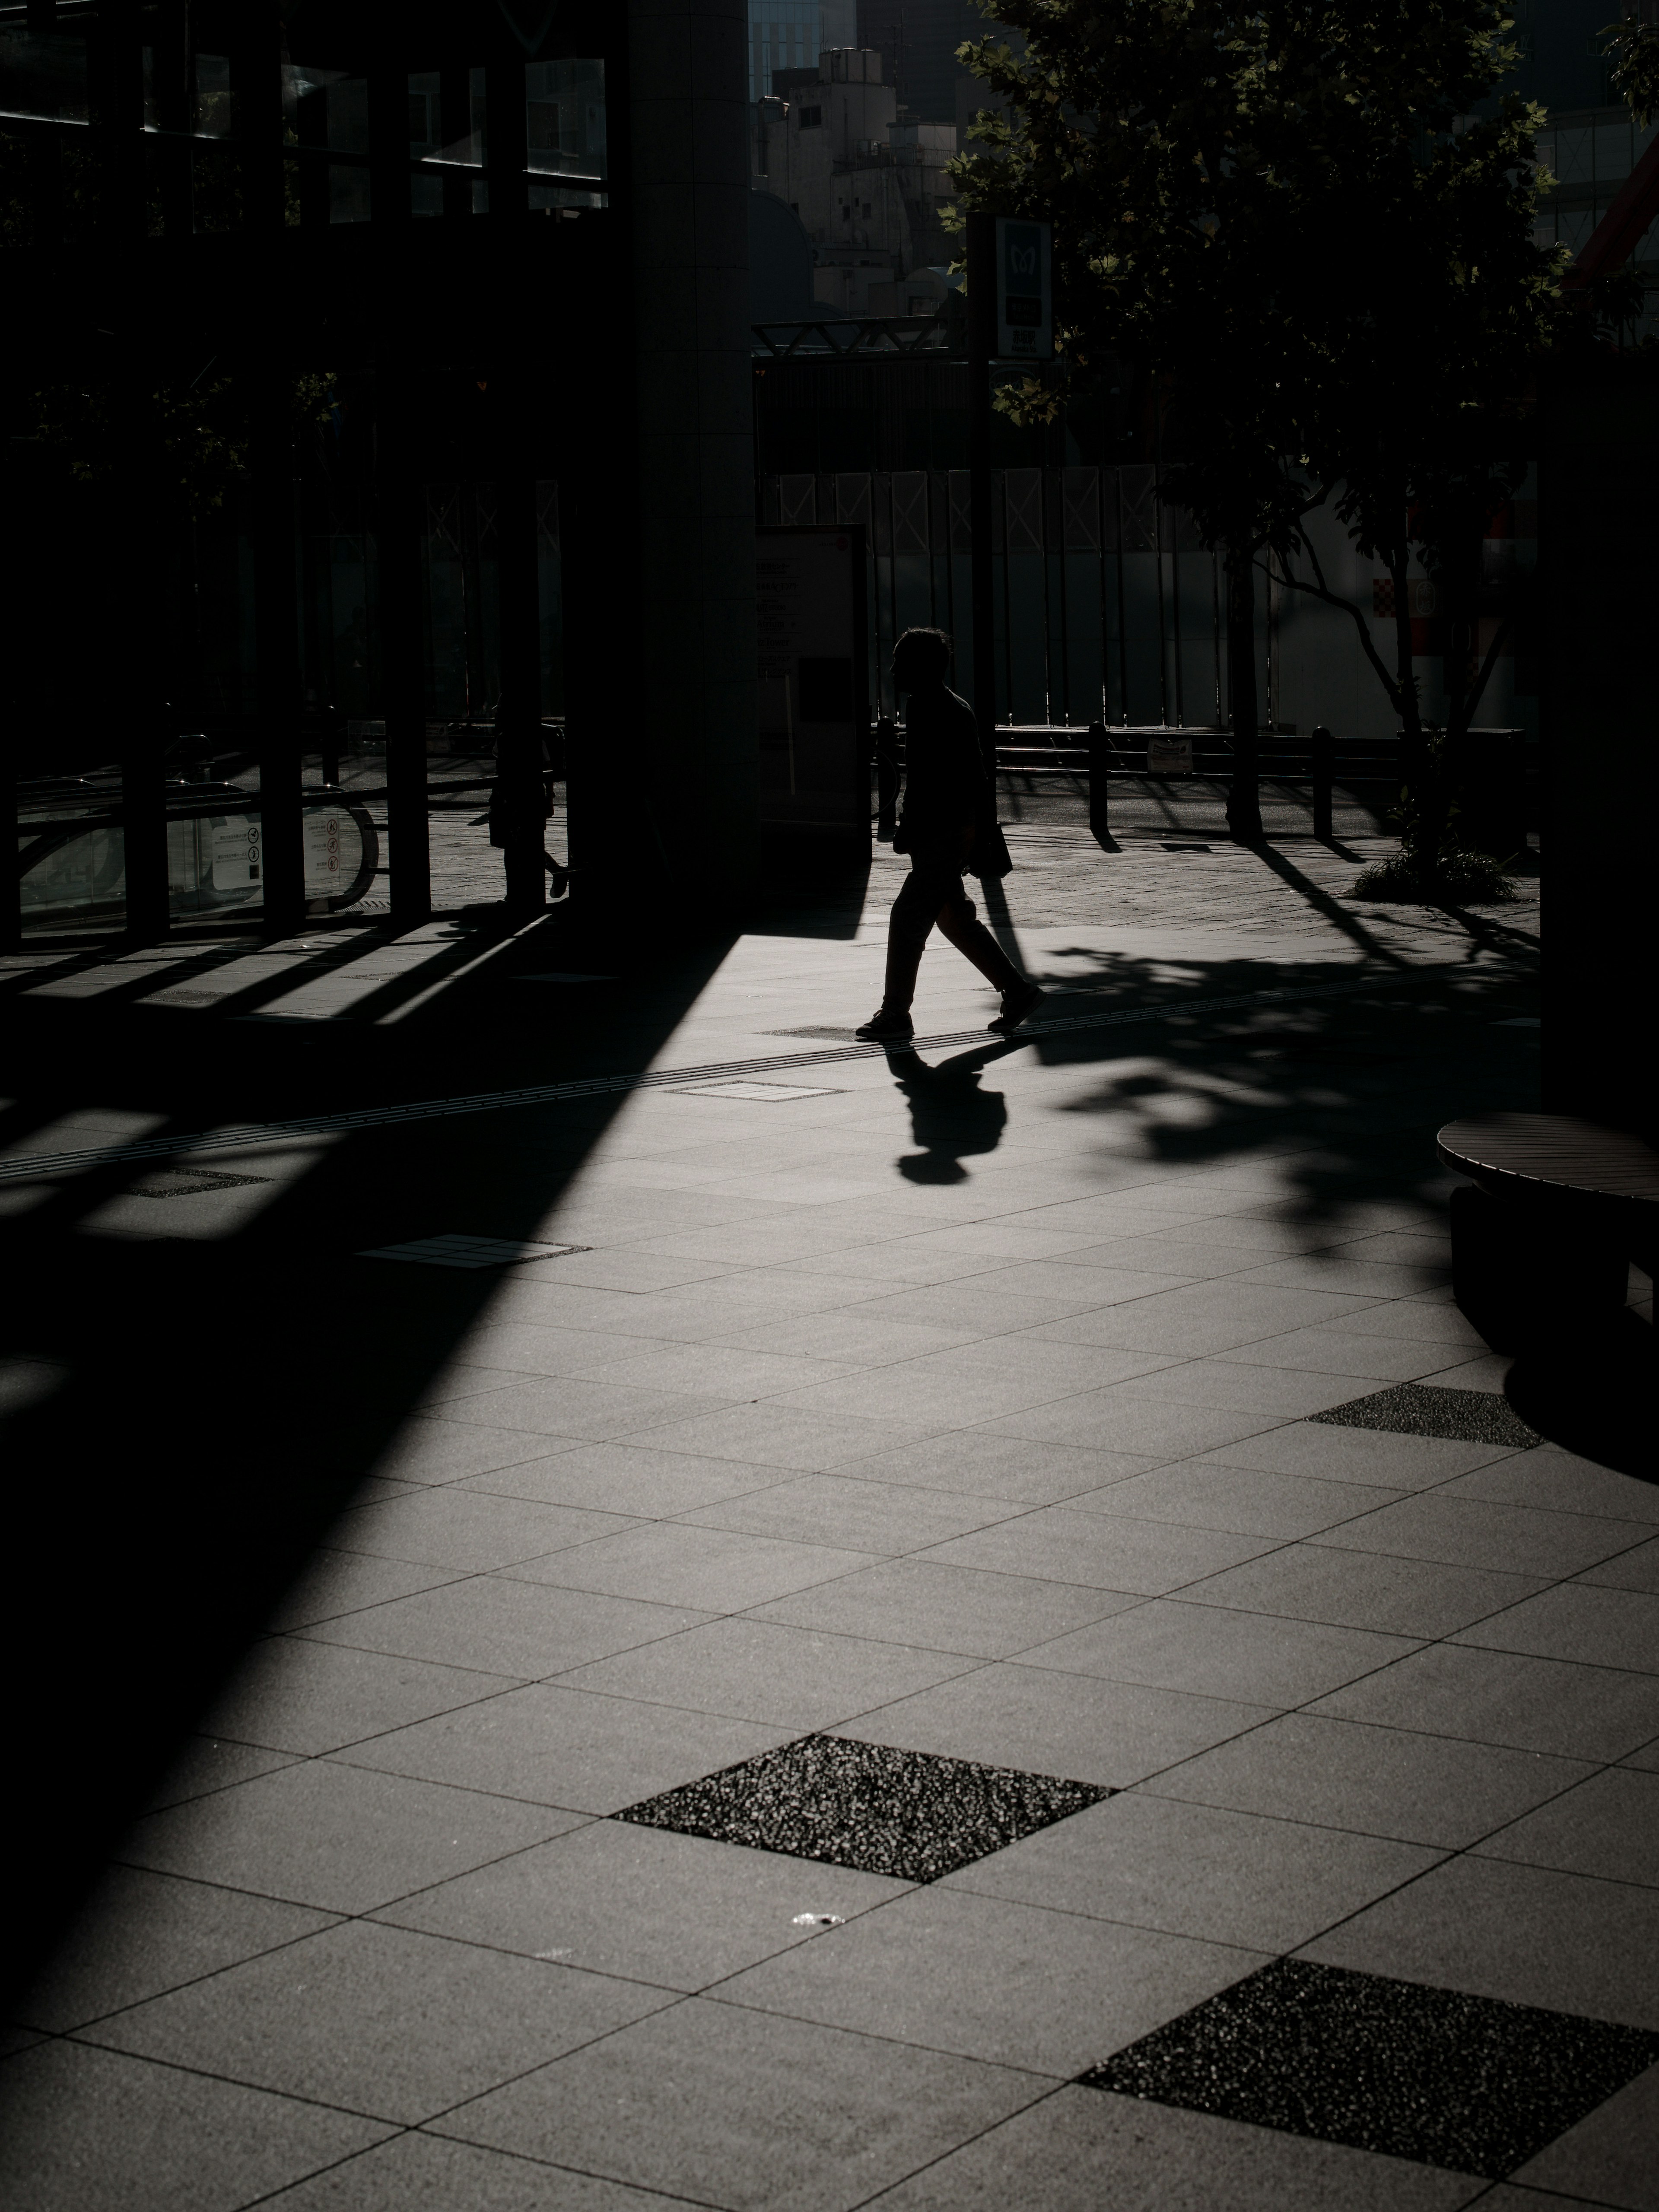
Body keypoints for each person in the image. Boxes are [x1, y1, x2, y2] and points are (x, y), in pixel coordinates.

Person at [855, 627, 1045, 1042]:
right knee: (955, 919)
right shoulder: (931, 705)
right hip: (944, 829)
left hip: (945, 830)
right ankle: (1018, 992)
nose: (892, 669)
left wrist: (918, 827)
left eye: (900, 660)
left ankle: (895, 1014)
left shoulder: (939, 710)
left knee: (908, 917)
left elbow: (954, 778)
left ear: (921, 666)